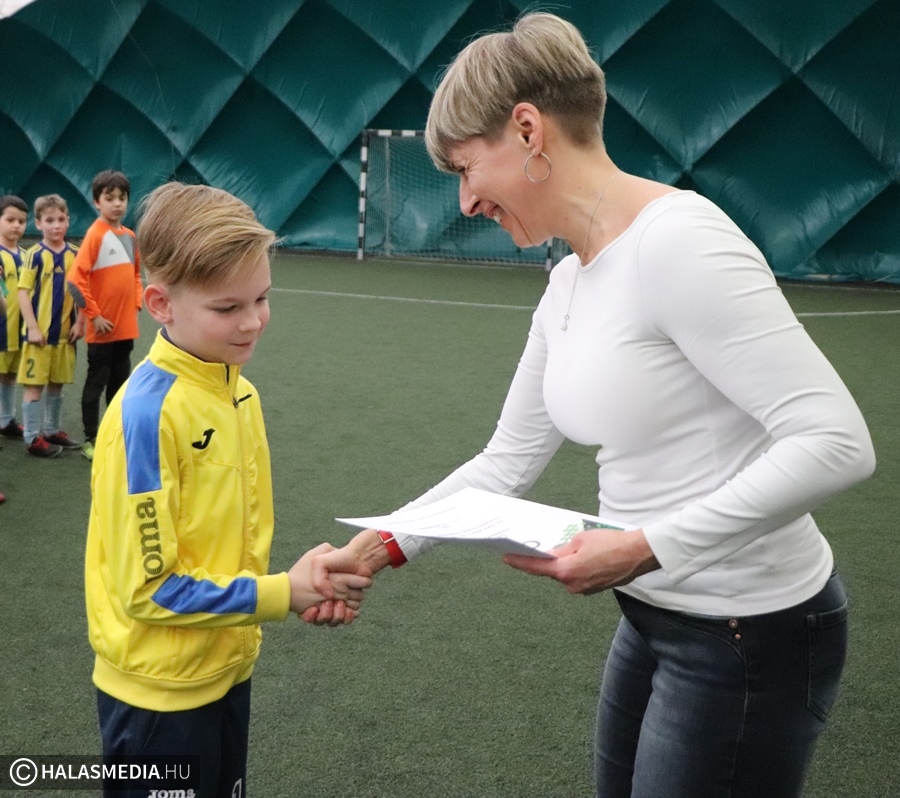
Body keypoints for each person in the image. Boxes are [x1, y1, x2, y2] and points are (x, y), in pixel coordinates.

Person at [309, 13, 876, 798]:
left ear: (529, 130)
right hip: (653, 617)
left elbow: (836, 441)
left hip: (751, 632)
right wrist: (371, 551)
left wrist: (645, 545)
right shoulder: (568, 281)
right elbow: (506, 460)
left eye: (466, 169)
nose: (465, 201)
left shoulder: (679, 243)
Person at [84, 181, 373, 798]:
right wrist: (281, 592)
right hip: (158, 698)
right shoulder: (146, 417)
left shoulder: (239, 392)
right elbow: (150, 590)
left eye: (262, 298)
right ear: (160, 303)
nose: (253, 321)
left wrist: (303, 580)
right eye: (227, 308)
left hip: (224, 672)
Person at [67, 170, 143, 461]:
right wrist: (95, 316)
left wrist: (136, 304)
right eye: (109, 198)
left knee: (120, 385)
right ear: (97, 202)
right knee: (96, 383)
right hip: (101, 331)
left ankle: (114, 435)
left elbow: (136, 275)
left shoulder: (131, 237)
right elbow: (75, 281)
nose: (117, 204)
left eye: (122, 198)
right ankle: (91, 438)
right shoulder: (95, 234)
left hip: (125, 329)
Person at [17, 194, 84, 457]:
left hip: (65, 336)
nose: (56, 225)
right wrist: (33, 327)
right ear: (38, 223)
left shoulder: (75, 254)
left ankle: (52, 429)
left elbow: (82, 293)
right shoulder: (34, 255)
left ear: (68, 220)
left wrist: (80, 322)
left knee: (57, 383)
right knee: (35, 386)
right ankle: (32, 438)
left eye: (60, 219)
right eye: (49, 220)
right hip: (39, 337)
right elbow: (23, 293)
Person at [0, 195, 28, 441]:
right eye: (10, 220)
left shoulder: (26, 256)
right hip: (1, 328)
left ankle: (6, 420)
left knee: (10, 375)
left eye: (21, 221)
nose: (16, 225)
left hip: (18, 331)